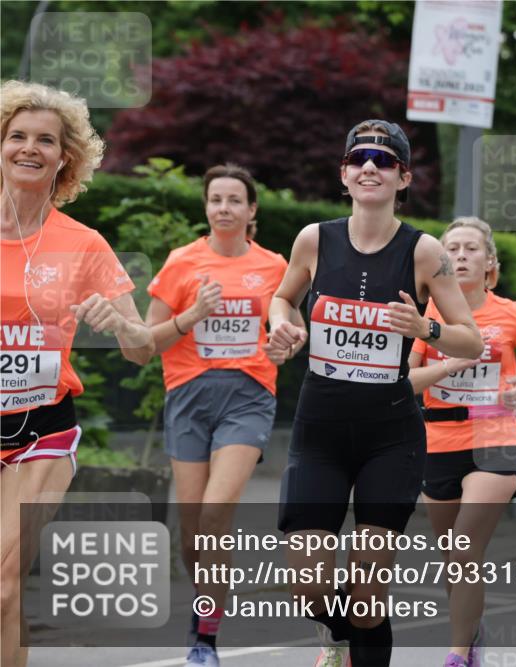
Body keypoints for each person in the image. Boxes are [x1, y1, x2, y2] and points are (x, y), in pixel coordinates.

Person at [267, 120, 483, 667]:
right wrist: (284, 324)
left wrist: (425, 330)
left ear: (402, 177)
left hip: (391, 437)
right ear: (344, 174)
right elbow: (281, 298)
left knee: (368, 595)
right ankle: (339, 637)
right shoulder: (314, 239)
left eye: (384, 161)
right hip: (319, 432)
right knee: (307, 586)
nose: (370, 167)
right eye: (359, 158)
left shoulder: (424, 251)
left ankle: (357, 639)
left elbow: (471, 340)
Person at [0, 80, 154, 667]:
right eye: (17, 137)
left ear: (66, 156)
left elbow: (142, 349)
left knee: (6, 584)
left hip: (40, 433)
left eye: (46, 140)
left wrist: (118, 321)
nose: (29, 149)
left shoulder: (82, 244)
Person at [144, 164, 295, 666]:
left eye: (235, 200)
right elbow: (148, 341)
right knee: (194, 530)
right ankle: (204, 606)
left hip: (248, 395)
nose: (224, 208)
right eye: (216, 199)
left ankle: (205, 634)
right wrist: (192, 315)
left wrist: (286, 342)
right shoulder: (182, 263)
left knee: (215, 511)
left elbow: (292, 326)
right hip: (187, 394)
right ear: (206, 207)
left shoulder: (274, 266)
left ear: (252, 210)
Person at [407, 217, 516, 667]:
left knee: (465, 545)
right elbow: (406, 381)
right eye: (453, 248)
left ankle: (455, 654)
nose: (463, 255)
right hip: (438, 438)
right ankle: (470, 635)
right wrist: (447, 367)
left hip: (496, 437)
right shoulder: (428, 316)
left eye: (473, 249)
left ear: (490, 262)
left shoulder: (511, 313)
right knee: (452, 555)